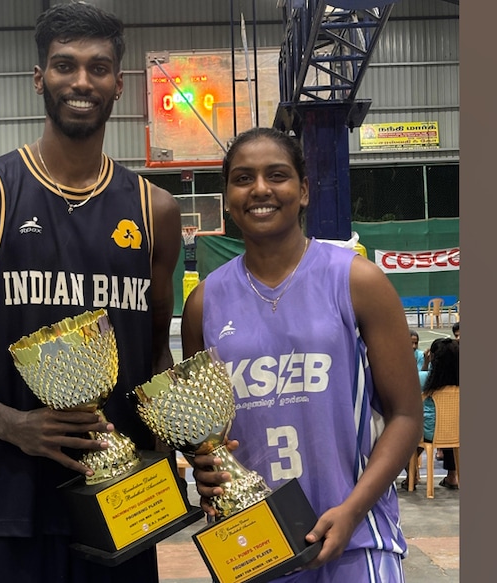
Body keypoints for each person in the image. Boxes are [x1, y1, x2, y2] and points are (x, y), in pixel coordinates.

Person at [0, 3, 181, 582]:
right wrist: (10, 423)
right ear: (39, 77)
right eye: (64, 65)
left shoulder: (156, 211)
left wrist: (185, 448)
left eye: (98, 67)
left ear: (119, 84)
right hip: (9, 501)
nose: (81, 81)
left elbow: (153, 357)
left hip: (122, 500)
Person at [181, 127, 423, 582]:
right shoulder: (204, 304)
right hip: (253, 546)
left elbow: (406, 416)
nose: (260, 189)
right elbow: (205, 437)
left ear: (304, 190)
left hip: (356, 539)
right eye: (243, 178)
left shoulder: (358, 281)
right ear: (227, 197)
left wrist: (352, 510)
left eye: (277, 175)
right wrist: (205, 471)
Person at [415, 338, 459, 490]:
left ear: (432, 356)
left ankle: (411, 476)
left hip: (428, 432)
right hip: (456, 431)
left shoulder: (423, 378)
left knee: (411, 433)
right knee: (447, 424)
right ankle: (452, 476)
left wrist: (426, 363)